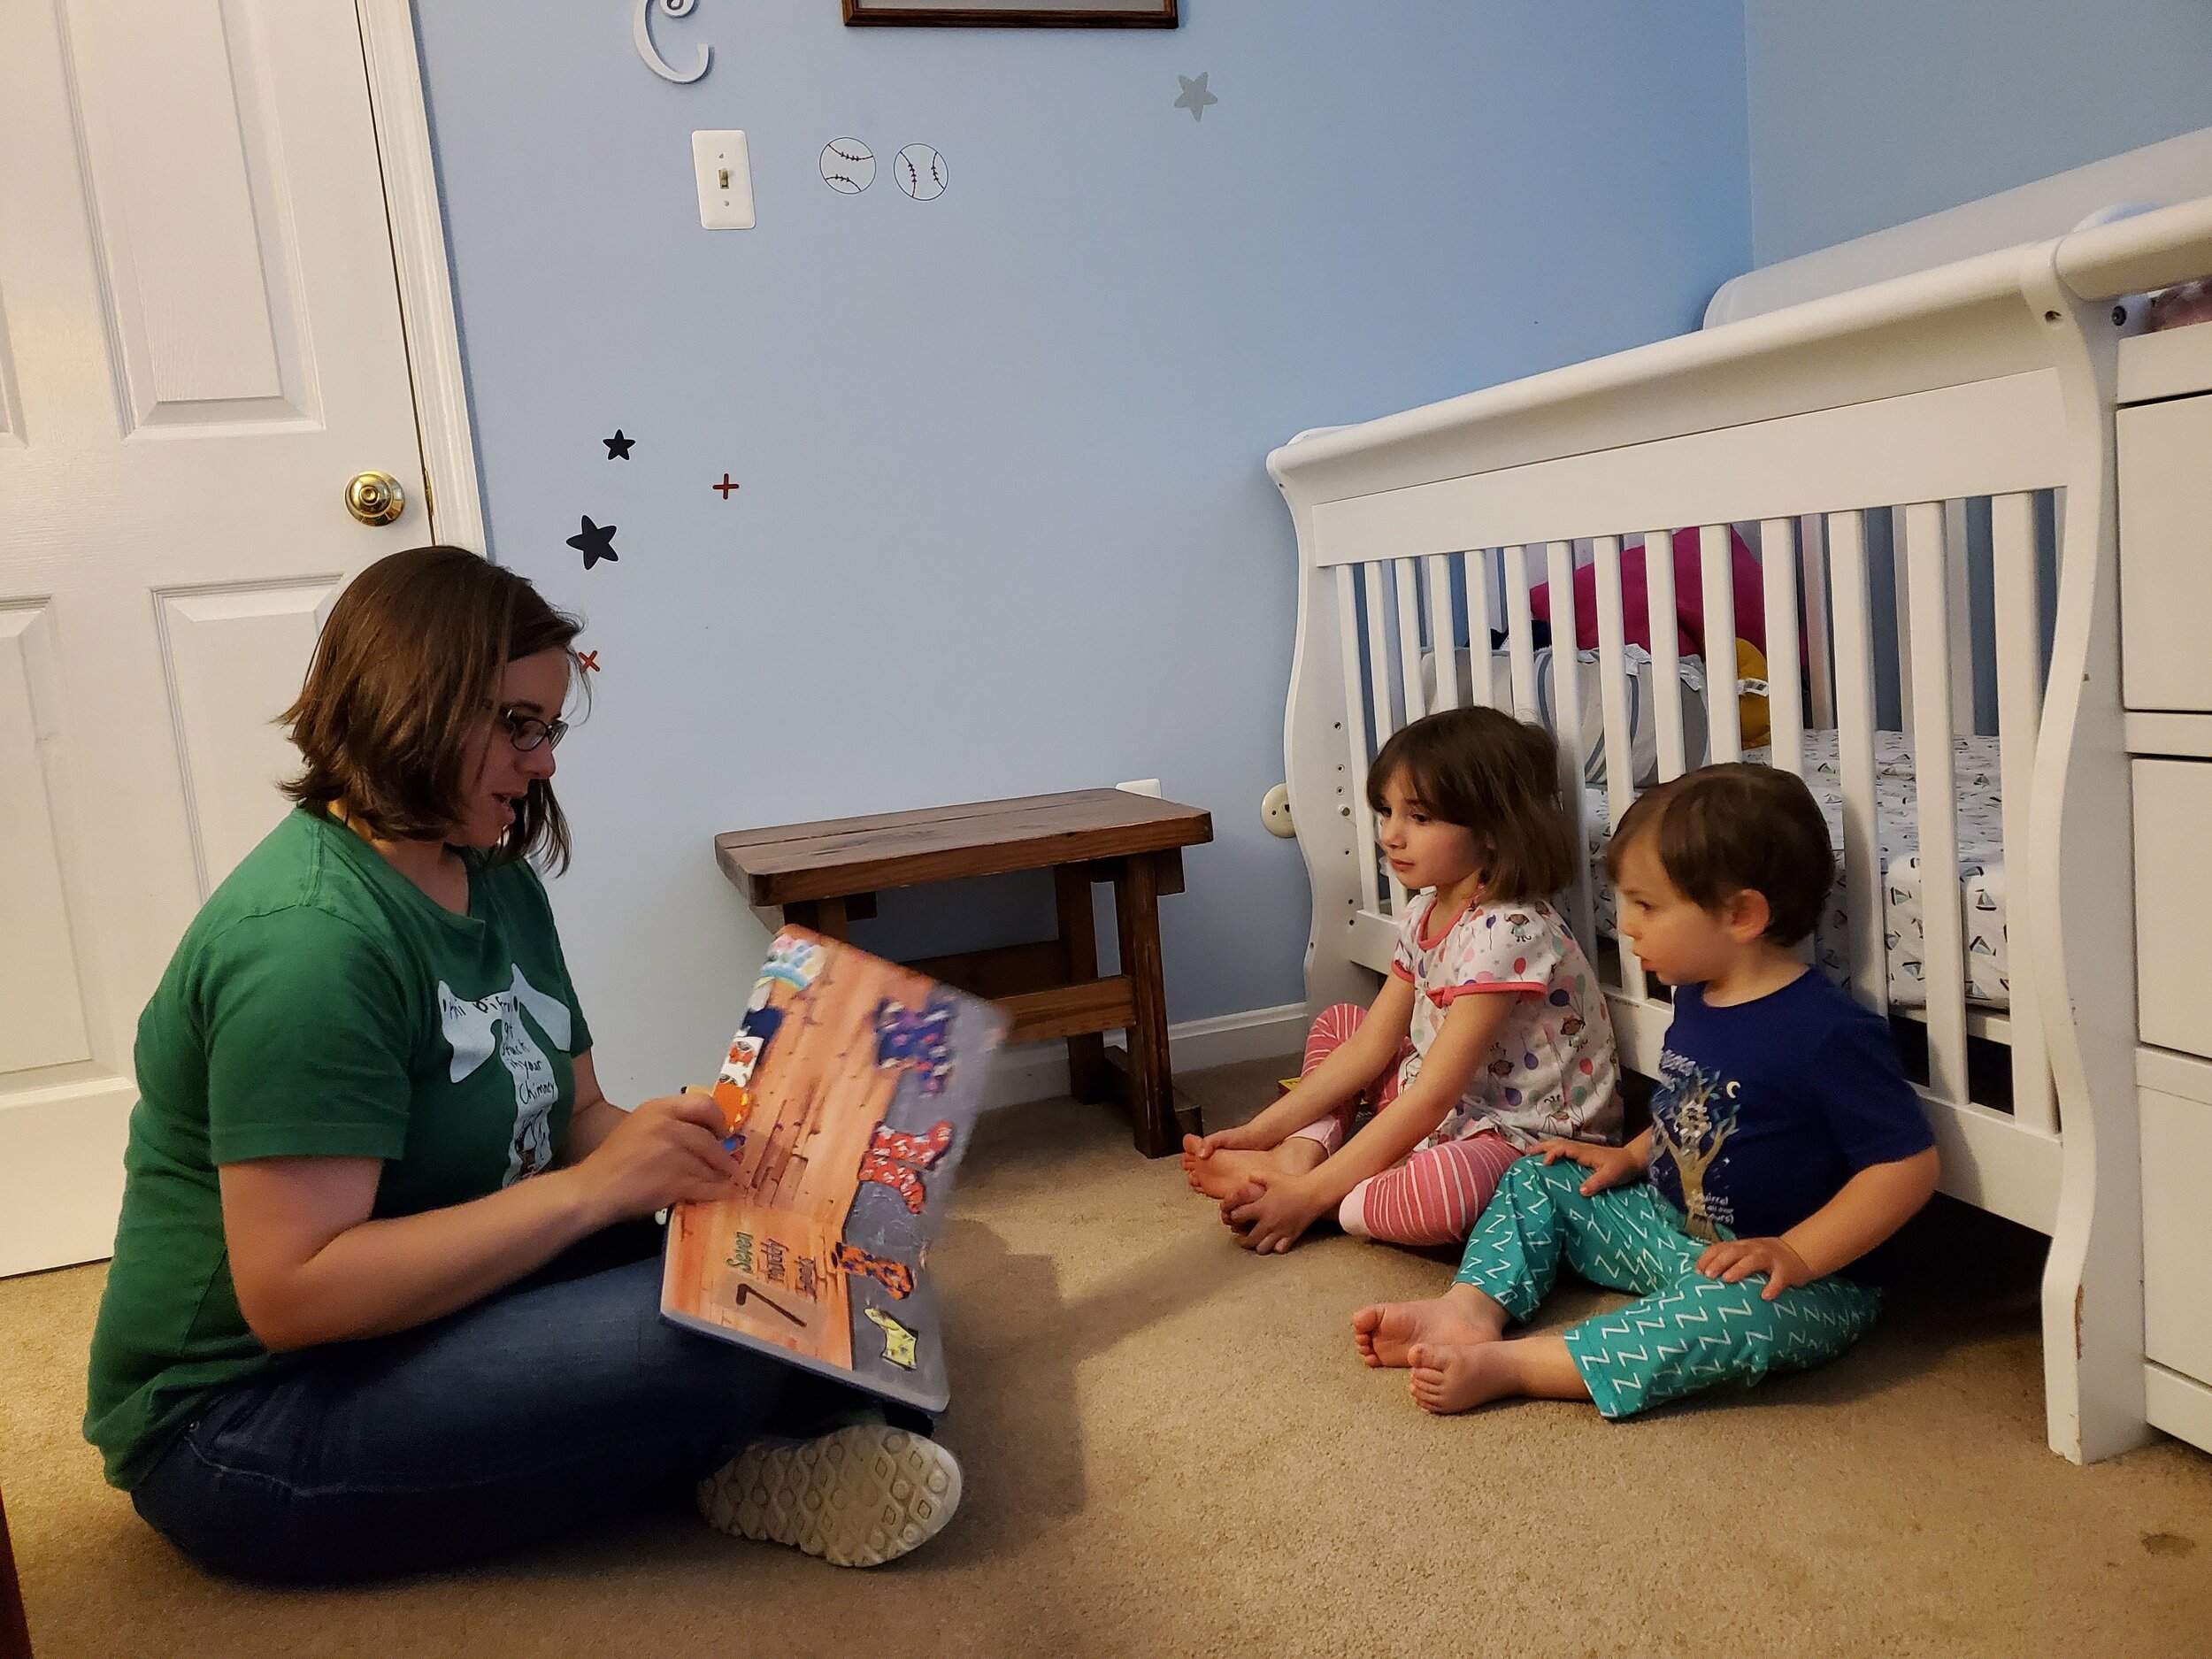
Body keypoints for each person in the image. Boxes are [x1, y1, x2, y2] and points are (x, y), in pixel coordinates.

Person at [83, 546, 960, 1583]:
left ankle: (780, 1424)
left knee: (812, 1250)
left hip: (438, 1302)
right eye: (516, 725)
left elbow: (579, 1108)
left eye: (546, 730)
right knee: (714, 1339)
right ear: (410, 701)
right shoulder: (309, 945)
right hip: (249, 1417)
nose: (543, 762)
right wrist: (595, 1195)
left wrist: (698, 1157)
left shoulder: (490, 876)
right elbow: (296, 1294)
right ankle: (755, 1444)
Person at [1352, 763, 1939, 1419]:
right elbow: (1693, 1104)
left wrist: (1797, 1253)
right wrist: (1632, 1156)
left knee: (1731, 1317)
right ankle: (1467, 1311)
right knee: (1536, 1176)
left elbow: (1905, 1167)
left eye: (1647, 905)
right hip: (1670, 1227)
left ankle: (1520, 1364)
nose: (1626, 925)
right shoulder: (1695, 990)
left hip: (1794, 1279)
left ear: (1741, 914)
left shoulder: (1828, 1032)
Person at [1182, 706, 1619, 1253]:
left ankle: (1322, 1192)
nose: (1391, 835)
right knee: (1341, 1023)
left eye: (1420, 817)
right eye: (1387, 811)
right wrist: (1257, 1132)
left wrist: (1314, 1198)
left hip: (1523, 1136)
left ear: (1492, 831)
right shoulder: (1422, 913)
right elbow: (1371, 1046)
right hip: (1451, 1104)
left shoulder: (1510, 931)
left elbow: (1434, 1096)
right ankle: (1296, 1158)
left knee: (1441, 1194)